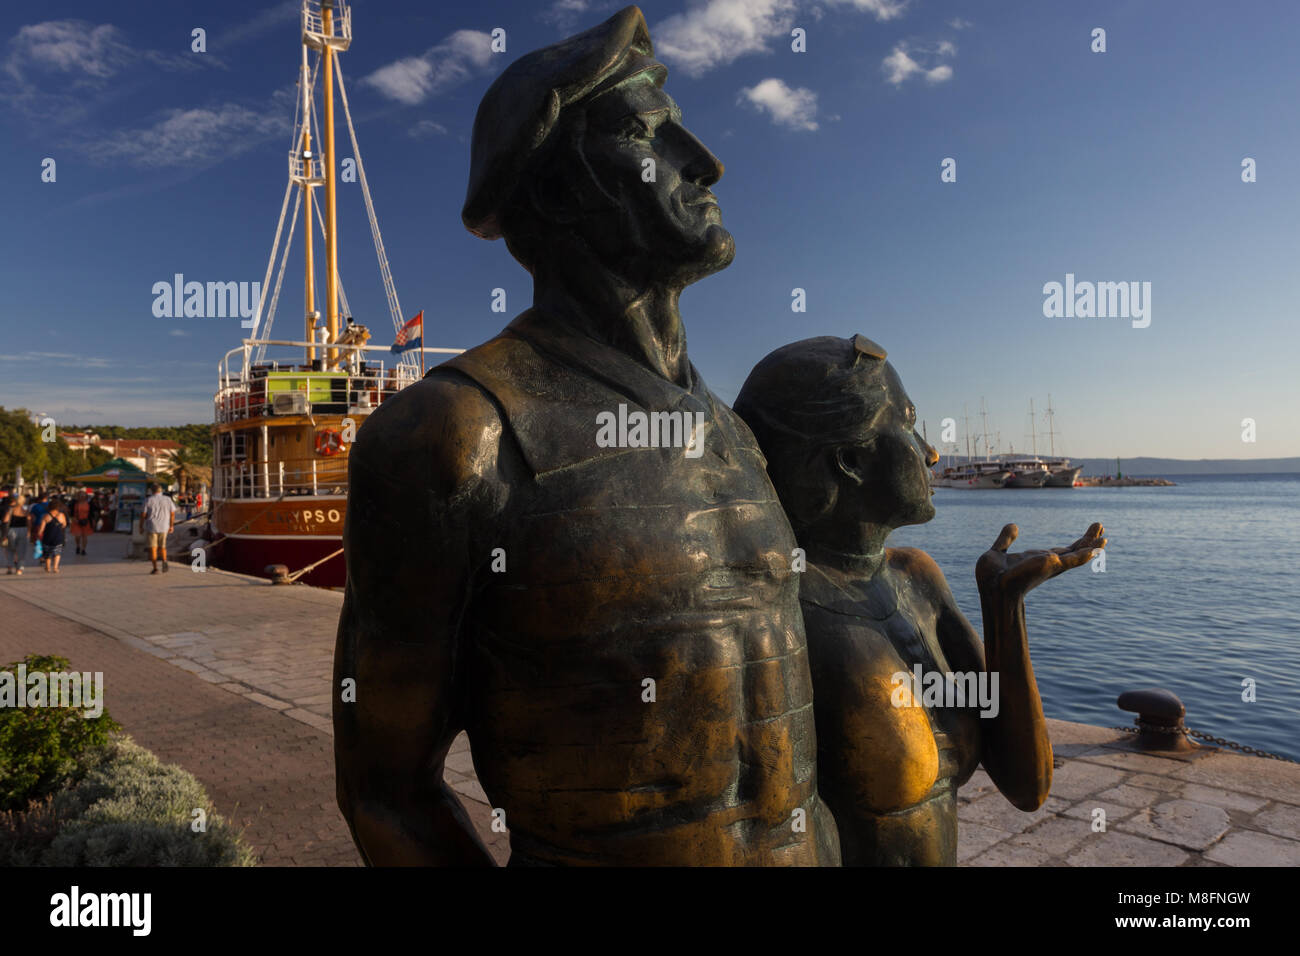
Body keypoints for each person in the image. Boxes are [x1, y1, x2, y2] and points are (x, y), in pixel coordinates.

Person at [335, 7, 840, 866]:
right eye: (653, 134)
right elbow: (385, 792)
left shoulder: (732, 433)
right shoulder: (454, 433)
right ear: (563, 191)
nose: (706, 161)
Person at [733, 336, 1106, 865]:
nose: (931, 452)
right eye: (908, 425)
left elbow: (1029, 785)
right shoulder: (780, 610)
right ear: (851, 460)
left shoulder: (918, 578)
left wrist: (1004, 606)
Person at [139, 482, 175, 574]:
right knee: (162, 547)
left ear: (151, 491)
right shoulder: (168, 499)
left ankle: (155, 568)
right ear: (161, 491)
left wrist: (141, 526)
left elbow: (143, 515)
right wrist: (171, 526)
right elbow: (172, 514)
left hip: (152, 527)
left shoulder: (148, 500)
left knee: (153, 548)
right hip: (164, 527)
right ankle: (164, 560)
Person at [36, 499, 68, 574]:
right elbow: (64, 525)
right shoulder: (61, 515)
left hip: (47, 537)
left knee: (47, 553)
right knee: (57, 552)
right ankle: (55, 567)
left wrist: (38, 535)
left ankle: (48, 567)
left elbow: (41, 529)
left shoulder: (46, 516)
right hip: (58, 537)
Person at [2, 493, 30, 575]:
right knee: (21, 550)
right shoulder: (25, 511)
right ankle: (19, 569)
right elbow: (29, 522)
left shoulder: (11, 510)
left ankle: (10, 568)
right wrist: (29, 531)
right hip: (23, 530)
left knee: (10, 550)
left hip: (12, 530)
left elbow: (5, 520)